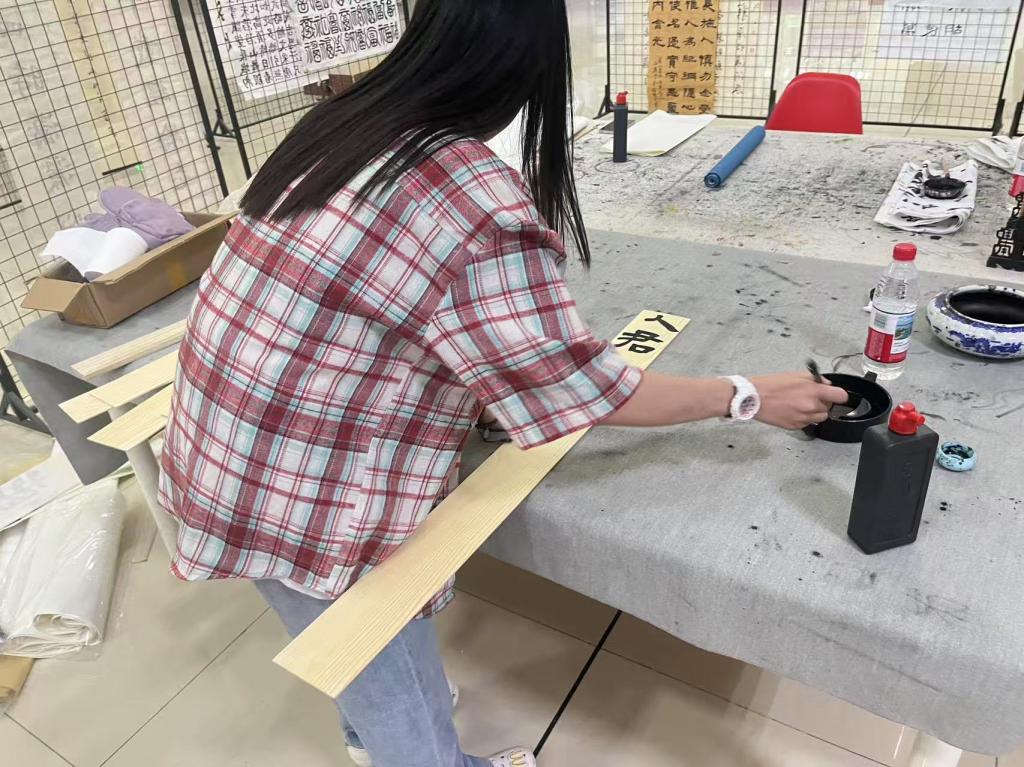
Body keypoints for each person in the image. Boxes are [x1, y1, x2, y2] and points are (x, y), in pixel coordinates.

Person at [157, 1, 848, 765]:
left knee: (370, 651)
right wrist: (748, 395)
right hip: (306, 499)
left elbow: (389, 301)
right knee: (385, 676)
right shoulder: (471, 195)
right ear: (524, 69)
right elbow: (583, 389)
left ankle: (369, 734)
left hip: (221, 448)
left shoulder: (346, 120)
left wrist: (484, 384)